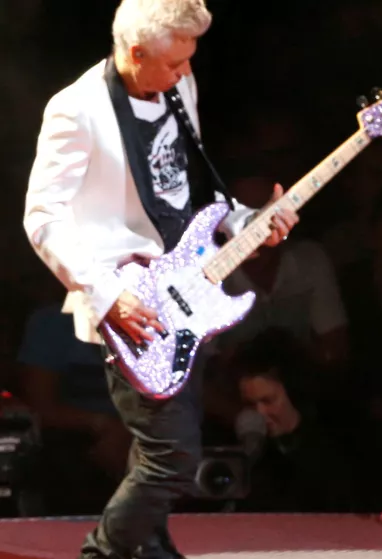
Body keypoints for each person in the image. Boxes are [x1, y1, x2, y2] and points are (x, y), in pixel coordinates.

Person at [22, 1, 298, 557]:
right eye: (174, 63)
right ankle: (102, 552)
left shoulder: (178, 86)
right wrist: (107, 296)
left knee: (158, 451)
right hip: (129, 302)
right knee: (173, 457)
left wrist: (246, 221)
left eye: (190, 60)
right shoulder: (77, 110)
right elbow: (42, 218)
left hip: (186, 289)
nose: (185, 72)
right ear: (135, 52)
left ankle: (146, 548)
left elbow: (186, 187)